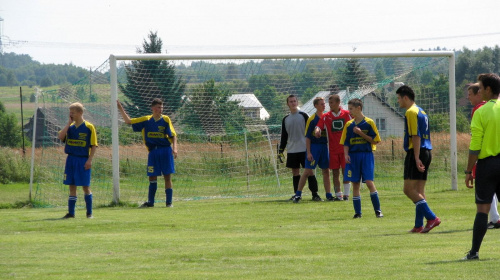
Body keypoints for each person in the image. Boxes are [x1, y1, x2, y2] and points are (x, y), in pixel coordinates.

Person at [463, 73, 500, 260]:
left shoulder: (480, 112)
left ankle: (474, 252)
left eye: (480, 86)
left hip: (487, 165)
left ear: (488, 89)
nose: (479, 89)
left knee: (482, 210)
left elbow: (475, 146)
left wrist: (469, 171)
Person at [117, 98, 178, 208]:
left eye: (162, 107)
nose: (161, 109)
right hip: (153, 152)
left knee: (167, 176)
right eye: (159, 107)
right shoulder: (146, 120)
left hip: (165, 150)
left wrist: (175, 148)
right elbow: (128, 121)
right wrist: (120, 108)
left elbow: (173, 136)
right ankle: (150, 202)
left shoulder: (165, 119)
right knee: (152, 177)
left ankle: (169, 203)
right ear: (153, 108)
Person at [395, 85, 440, 233]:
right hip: (427, 151)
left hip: (417, 151)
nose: (398, 101)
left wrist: (415, 157)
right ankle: (418, 225)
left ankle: (432, 218)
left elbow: (415, 135)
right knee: (419, 190)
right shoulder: (421, 111)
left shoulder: (411, 112)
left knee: (408, 189)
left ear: (405, 97)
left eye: (398, 98)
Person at [340, 98, 383, 218]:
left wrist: (361, 133)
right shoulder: (349, 125)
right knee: (355, 184)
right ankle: (358, 213)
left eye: (351, 109)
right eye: (348, 109)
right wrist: (346, 154)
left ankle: (378, 211)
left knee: (369, 182)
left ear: (359, 108)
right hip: (353, 157)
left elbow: (376, 140)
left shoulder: (369, 123)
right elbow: (346, 143)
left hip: (366, 155)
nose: (349, 111)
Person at [58, 102, 98, 219]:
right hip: (71, 159)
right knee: (72, 186)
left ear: (80, 113)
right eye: (70, 112)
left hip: (83, 159)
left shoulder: (89, 127)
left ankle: (89, 213)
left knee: (85, 186)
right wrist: (68, 124)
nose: (71, 114)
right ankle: (71, 213)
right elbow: (60, 137)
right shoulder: (69, 128)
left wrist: (89, 160)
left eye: (73, 112)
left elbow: (94, 145)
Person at [279, 94, 321, 201]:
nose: (293, 103)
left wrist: (313, 148)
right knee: (295, 172)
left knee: (309, 171)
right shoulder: (286, 119)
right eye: (291, 101)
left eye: (294, 101)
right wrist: (281, 150)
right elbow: (284, 136)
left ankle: (315, 194)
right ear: (287, 104)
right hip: (292, 150)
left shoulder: (304, 115)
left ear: (297, 102)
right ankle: (297, 194)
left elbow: (311, 132)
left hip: (305, 149)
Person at [314, 94, 352, 201]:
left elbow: (356, 123)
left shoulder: (347, 114)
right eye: (329, 103)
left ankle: (346, 195)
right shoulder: (326, 116)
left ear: (338, 103)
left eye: (331, 103)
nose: (329, 105)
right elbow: (319, 126)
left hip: (345, 150)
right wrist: (317, 130)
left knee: (345, 171)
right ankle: (338, 195)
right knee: (335, 172)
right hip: (332, 150)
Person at [293, 97, 331, 202]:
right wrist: (309, 152)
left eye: (324, 104)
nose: (324, 105)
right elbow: (308, 137)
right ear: (316, 106)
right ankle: (298, 194)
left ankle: (329, 195)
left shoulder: (327, 117)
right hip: (314, 147)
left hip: (324, 147)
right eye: (321, 104)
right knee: (307, 171)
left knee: (326, 171)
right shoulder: (312, 119)